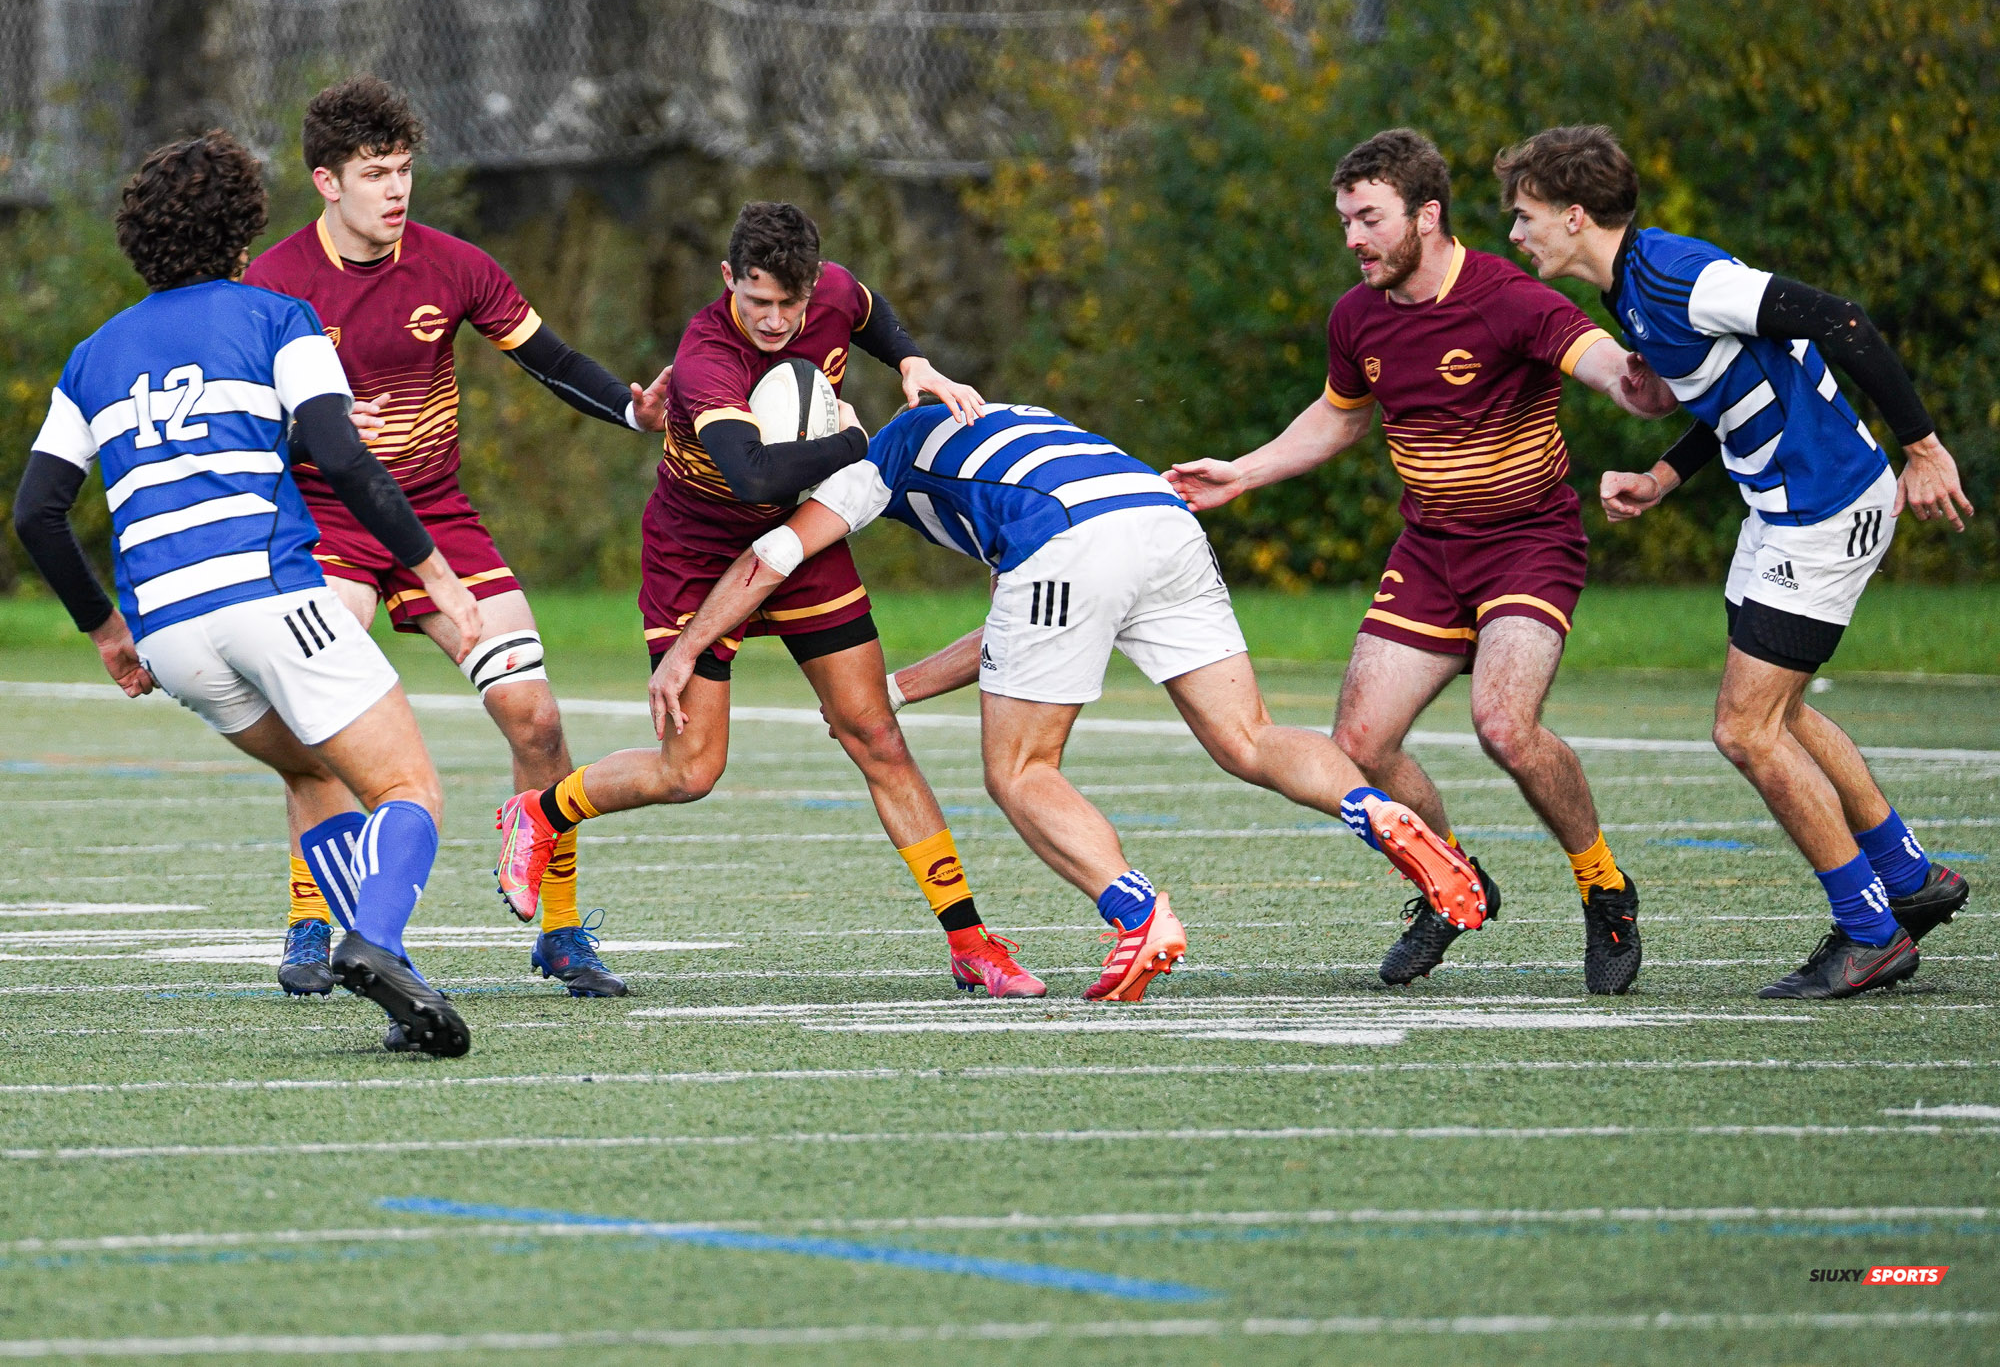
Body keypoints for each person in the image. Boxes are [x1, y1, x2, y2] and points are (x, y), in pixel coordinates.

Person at [649, 400, 1487, 1002]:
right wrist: (895, 692)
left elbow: (775, 556)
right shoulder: (996, 420)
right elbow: (1016, 632)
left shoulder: (878, 459)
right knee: (1248, 737)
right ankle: (1374, 809)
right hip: (1158, 519)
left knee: (1019, 770)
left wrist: (689, 647)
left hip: (1068, 541)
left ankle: (1137, 911)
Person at [1167, 128, 1676, 994]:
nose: (1353, 239)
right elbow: (1340, 418)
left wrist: (1641, 380)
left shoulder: (1509, 298)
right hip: (1431, 552)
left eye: (1369, 219)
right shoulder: (1356, 317)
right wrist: (1241, 473)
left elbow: (1604, 368)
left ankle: (1604, 887)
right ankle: (1450, 882)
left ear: (1427, 215)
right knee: (1360, 746)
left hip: (1527, 543)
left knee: (1505, 726)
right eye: (1345, 221)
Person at [494, 201, 1044, 997]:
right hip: (696, 555)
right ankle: (543, 813)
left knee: (876, 736)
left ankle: (970, 941)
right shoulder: (708, 355)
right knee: (692, 772)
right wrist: (858, 442)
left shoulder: (829, 296)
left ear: (811, 284)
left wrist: (911, 362)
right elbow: (752, 473)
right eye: (760, 302)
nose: (779, 320)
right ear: (729, 282)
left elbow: (867, 309)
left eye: (792, 302)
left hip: (801, 544)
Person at [12, 130, 476, 1055]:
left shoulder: (93, 355)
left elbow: (36, 513)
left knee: (312, 771)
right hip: (268, 598)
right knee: (409, 785)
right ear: (245, 226)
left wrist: (109, 633)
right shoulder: (277, 317)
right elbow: (341, 455)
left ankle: (396, 986)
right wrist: (431, 568)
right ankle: (376, 942)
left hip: (172, 637)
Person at [1496, 123, 1975, 999]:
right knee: (1779, 714)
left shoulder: (1678, 275)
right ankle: (1907, 879)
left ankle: (1872, 934)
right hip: (1782, 510)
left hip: (1823, 508)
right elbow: (1739, 386)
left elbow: (1839, 320)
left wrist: (1926, 447)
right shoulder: (1629, 286)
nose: (1516, 235)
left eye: (1525, 217)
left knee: (1744, 729)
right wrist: (1664, 475)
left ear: (1572, 215)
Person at [244, 77, 669, 1000]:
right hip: (326, 529)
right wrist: (301, 423)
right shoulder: (272, 284)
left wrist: (636, 411)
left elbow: (549, 360)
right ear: (326, 182)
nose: (396, 191)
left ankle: (558, 930)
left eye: (403, 171)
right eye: (373, 174)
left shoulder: (452, 265)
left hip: (438, 520)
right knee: (321, 720)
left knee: (538, 718)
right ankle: (309, 919)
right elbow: (238, 424)